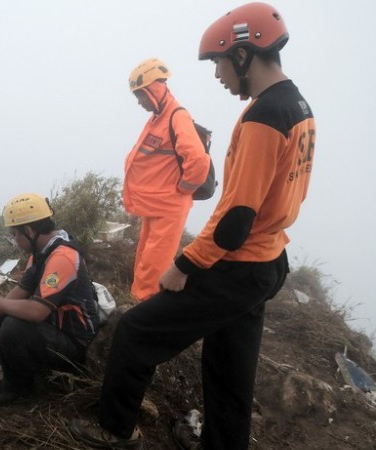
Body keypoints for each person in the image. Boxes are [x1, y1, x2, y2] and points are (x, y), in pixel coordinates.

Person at [69, 3, 316, 449]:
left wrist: (184, 264)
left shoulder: (263, 116)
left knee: (135, 331)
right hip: (269, 260)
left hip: (239, 262)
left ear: (243, 54)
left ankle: (113, 429)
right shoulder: (298, 106)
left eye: (219, 62)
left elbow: (237, 216)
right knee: (229, 371)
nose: (219, 75)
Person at [0, 193, 100, 405]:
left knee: (13, 325)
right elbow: (21, 290)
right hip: (57, 328)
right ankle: (26, 366)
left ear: (29, 231)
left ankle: (17, 387)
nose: (14, 240)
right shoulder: (40, 254)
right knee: (4, 314)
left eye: (14, 234)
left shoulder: (62, 257)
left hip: (76, 344)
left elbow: (38, 312)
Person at [123, 57, 211, 302]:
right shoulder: (158, 118)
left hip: (169, 205)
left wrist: (184, 189)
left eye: (140, 95)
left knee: (155, 261)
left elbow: (198, 160)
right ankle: (138, 300)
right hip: (155, 204)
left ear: (154, 89)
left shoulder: (177, 116)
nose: (139, 102)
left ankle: (144, 307)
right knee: (144, 256)